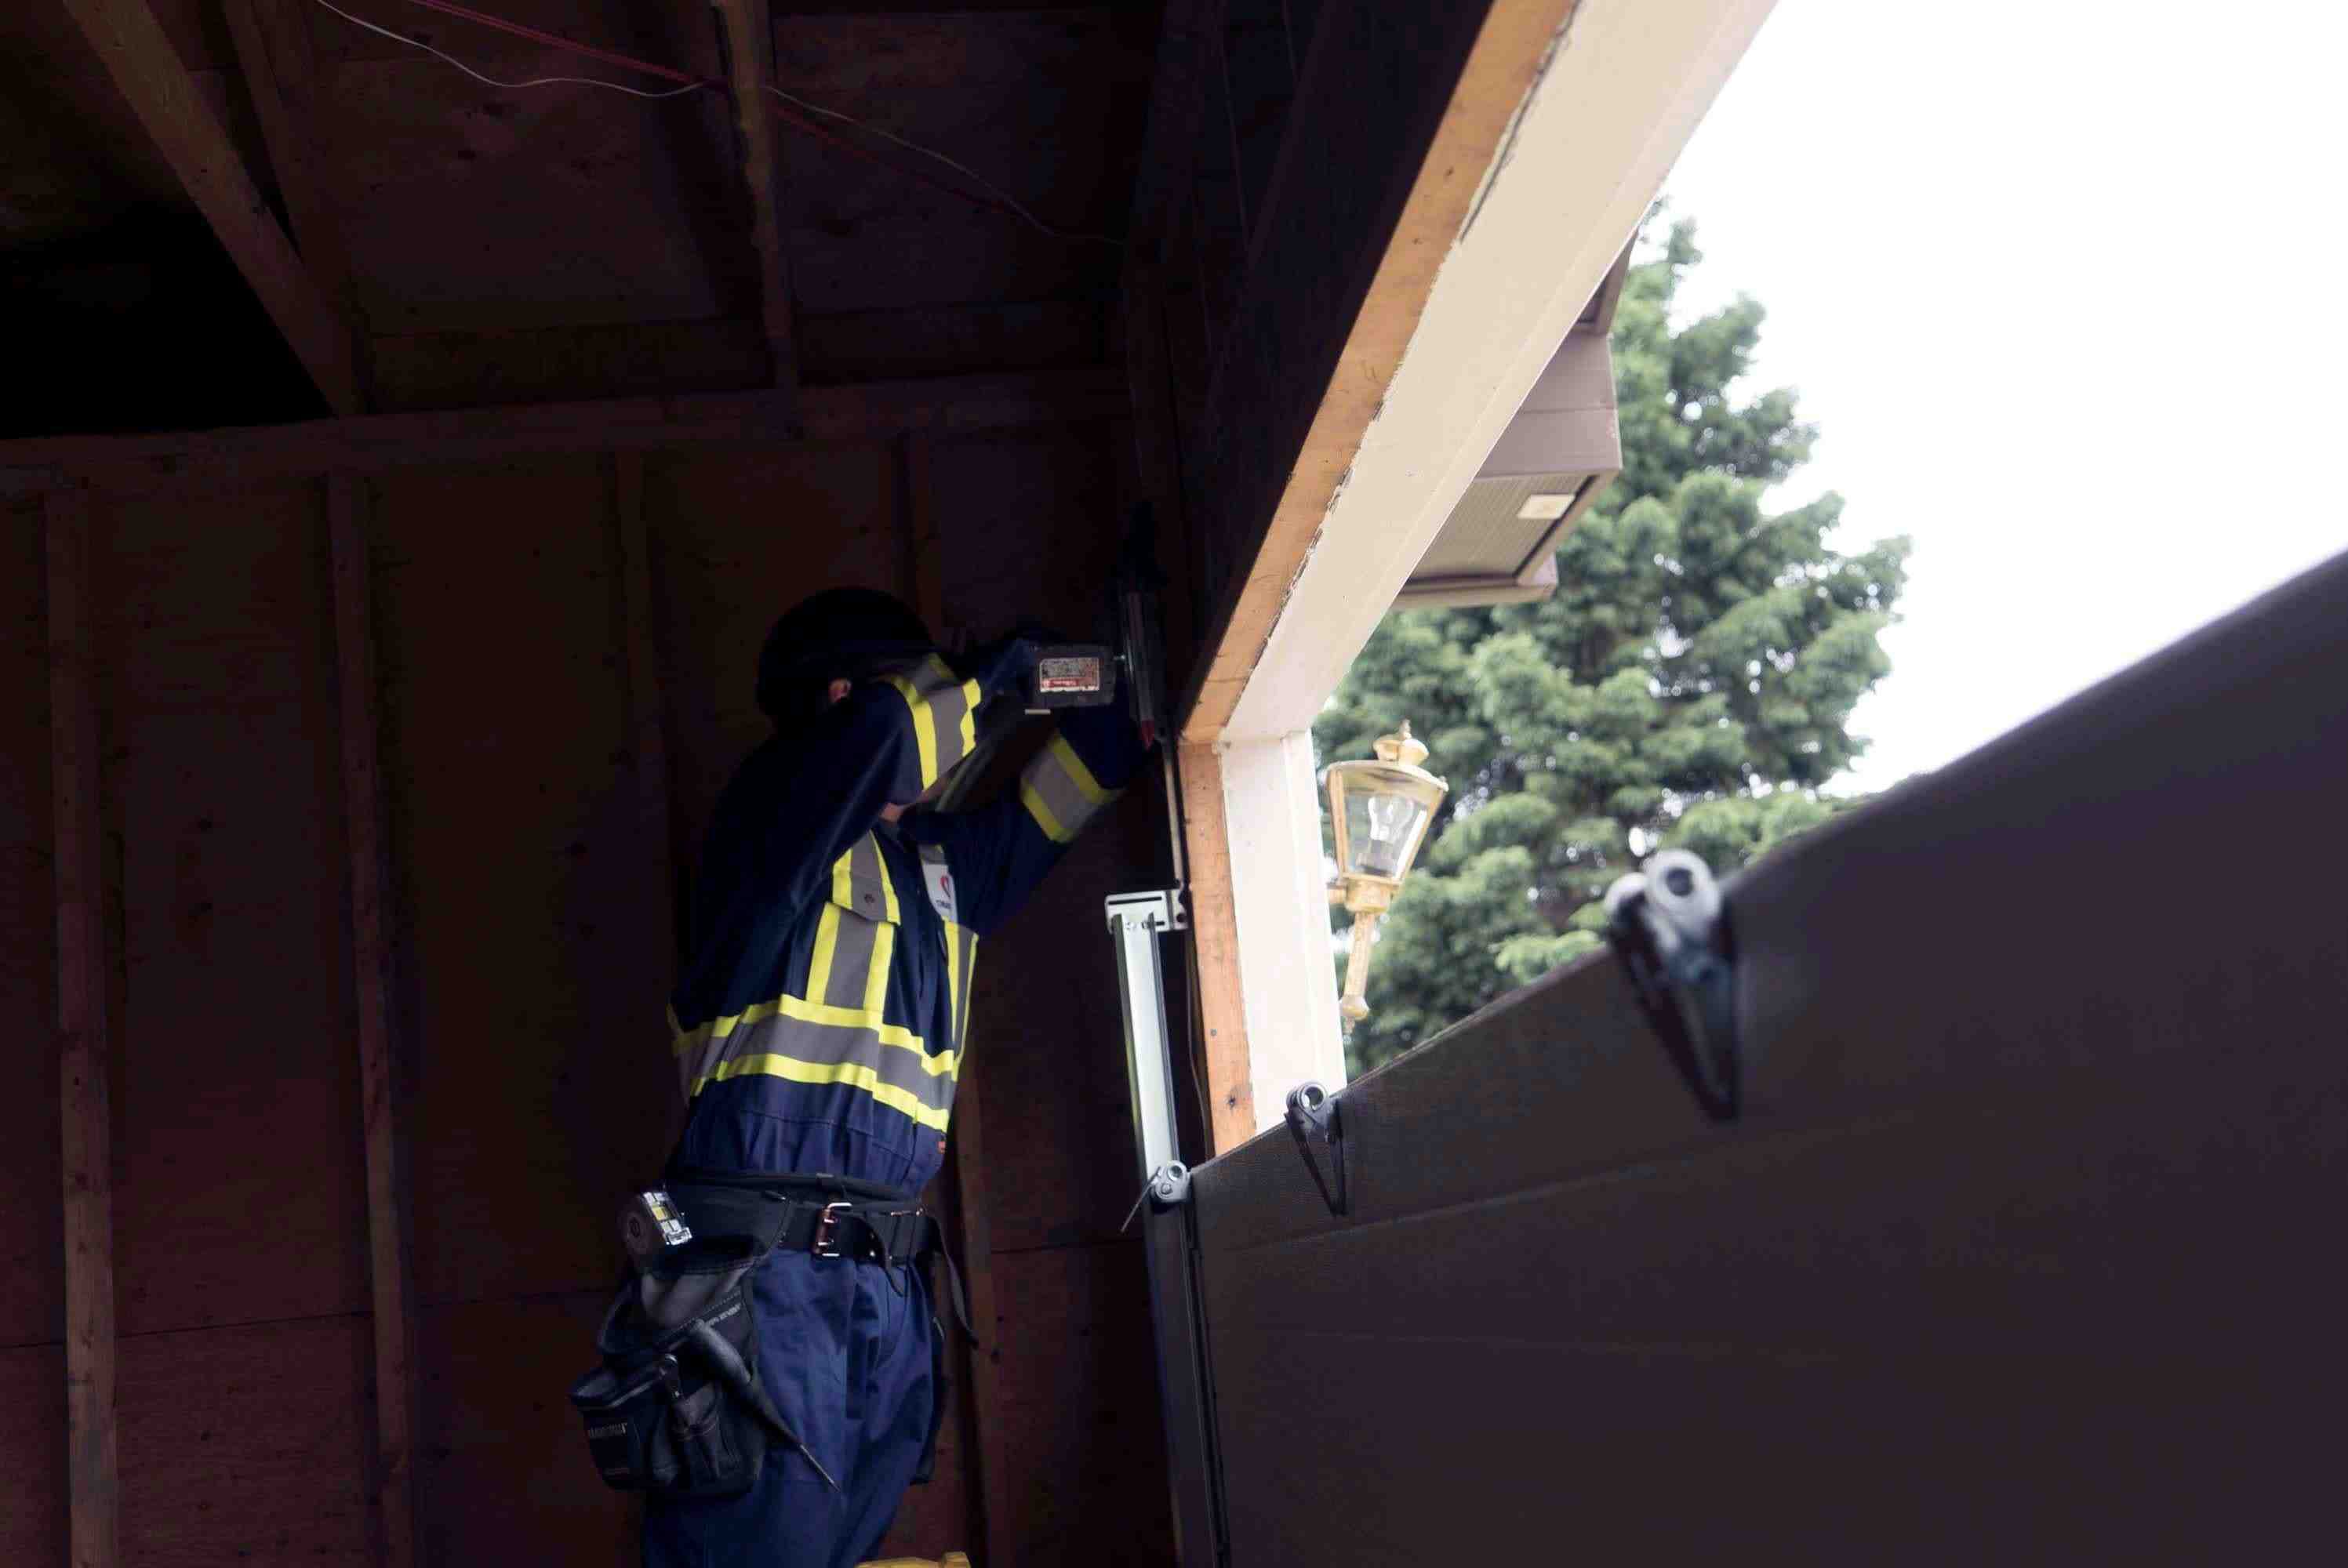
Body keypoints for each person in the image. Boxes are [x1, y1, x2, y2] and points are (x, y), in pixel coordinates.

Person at [643, 586, 1145, 1567]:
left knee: (845, 1546)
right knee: (762, 1544)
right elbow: (874, 744)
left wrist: (1124, 689)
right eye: (918, 690)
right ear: (843, 699)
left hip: (880, 1276)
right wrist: (992, 675)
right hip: (759, 1269)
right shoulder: (770, 821)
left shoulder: (939, 865)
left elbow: (1067, 792)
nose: (944, 719)